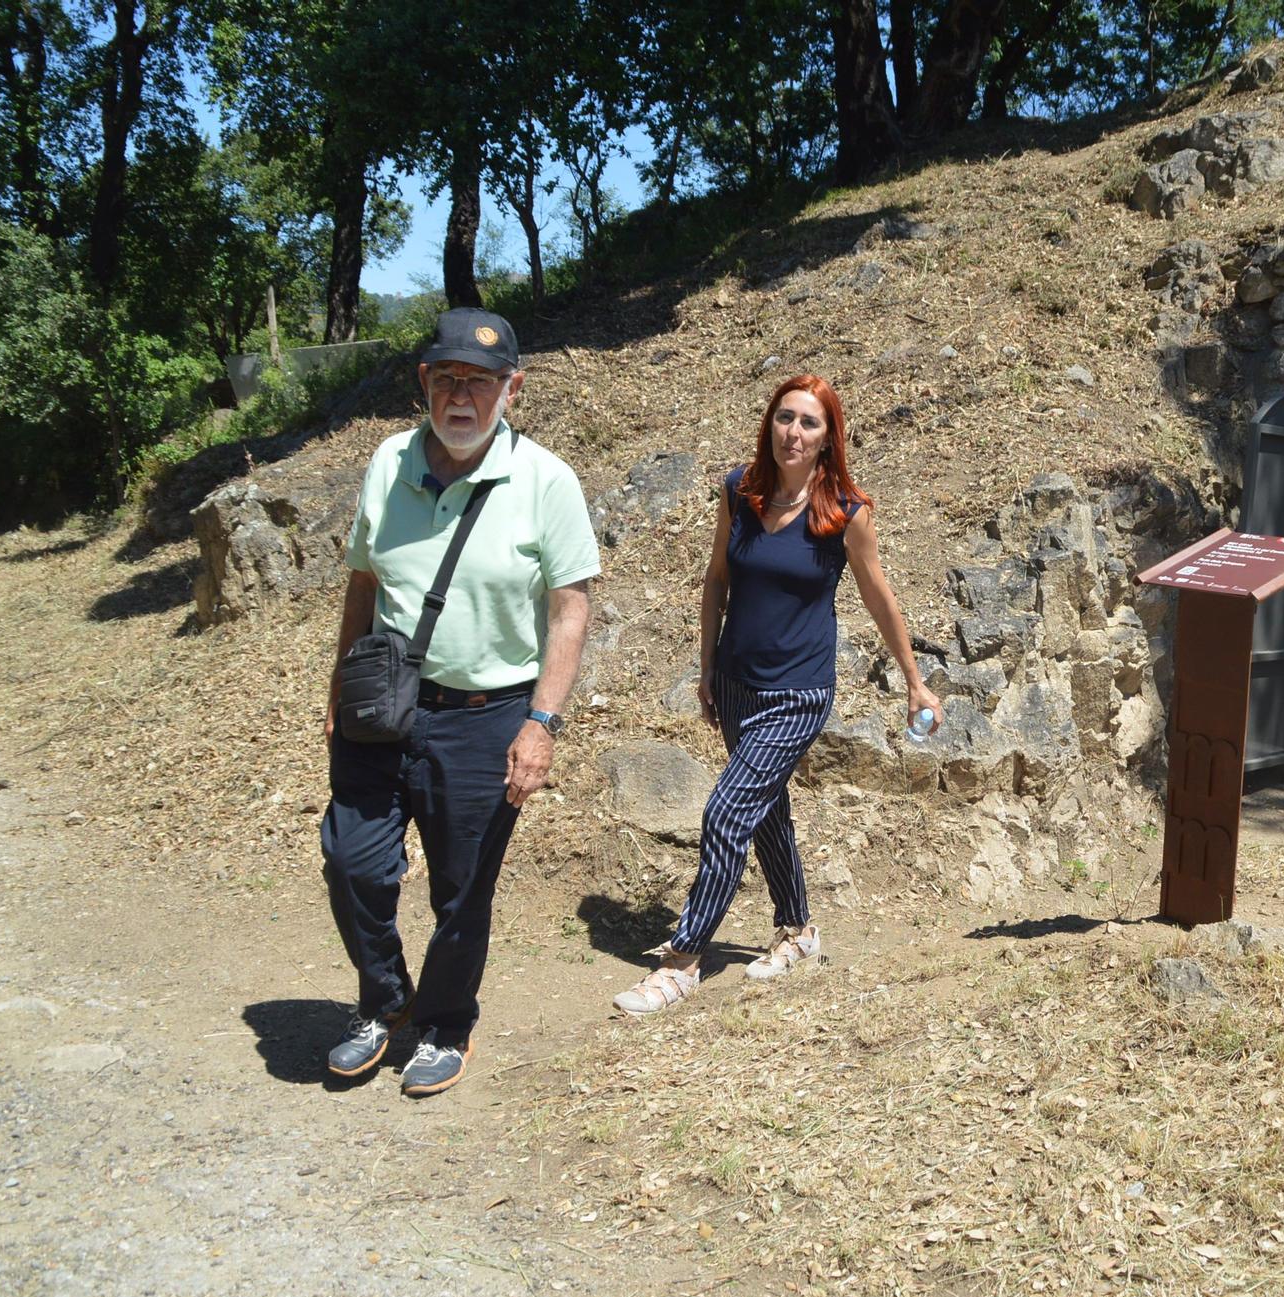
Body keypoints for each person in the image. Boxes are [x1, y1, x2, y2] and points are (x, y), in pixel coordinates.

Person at [322, 307, 599, 1096]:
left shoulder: (546, 481)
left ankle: (445, 1024)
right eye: (447, 379)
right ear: (424, 384)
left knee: (461, 889)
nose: (462, 397)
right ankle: (384, 1001)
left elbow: (569, 607)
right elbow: (364, 582)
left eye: (480, 382)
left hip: (487, 718)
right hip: (383, 705)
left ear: (513, 388)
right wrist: (339, 685)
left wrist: (541, 724)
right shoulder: (388, 462)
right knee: (351, 859)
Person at [612, 374, 939, 1014]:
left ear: (828, 438)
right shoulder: (741, 489)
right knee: (764, 812)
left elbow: (879, 597)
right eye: (784, 417)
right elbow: (715, 582)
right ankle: (798, 931)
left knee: (725, 812)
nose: (794, 431)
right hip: (736, 684)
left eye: (809, 423)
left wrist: (913, 679)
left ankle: (682, 961)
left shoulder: (845, 511)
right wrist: (706, 667)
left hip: (797, 694)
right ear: (770, 423)